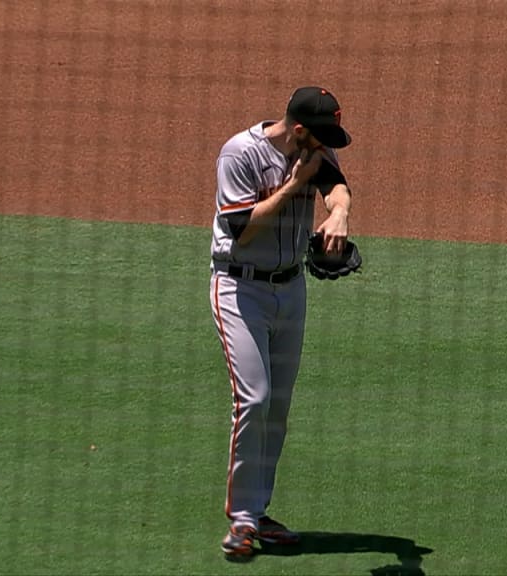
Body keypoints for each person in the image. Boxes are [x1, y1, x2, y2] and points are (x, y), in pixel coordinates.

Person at [208, 86, 353, 560]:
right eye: (321, 135)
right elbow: (242, 229)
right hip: (240, 288)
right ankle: (242, 522)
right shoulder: (240, 153)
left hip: (291, 291)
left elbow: (335, 185)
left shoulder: (316, 149)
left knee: (278, 408)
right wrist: (293, 186)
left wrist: (339, 215)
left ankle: (259, 510)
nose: (327, 145)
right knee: (255, 398)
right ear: (297, 129)